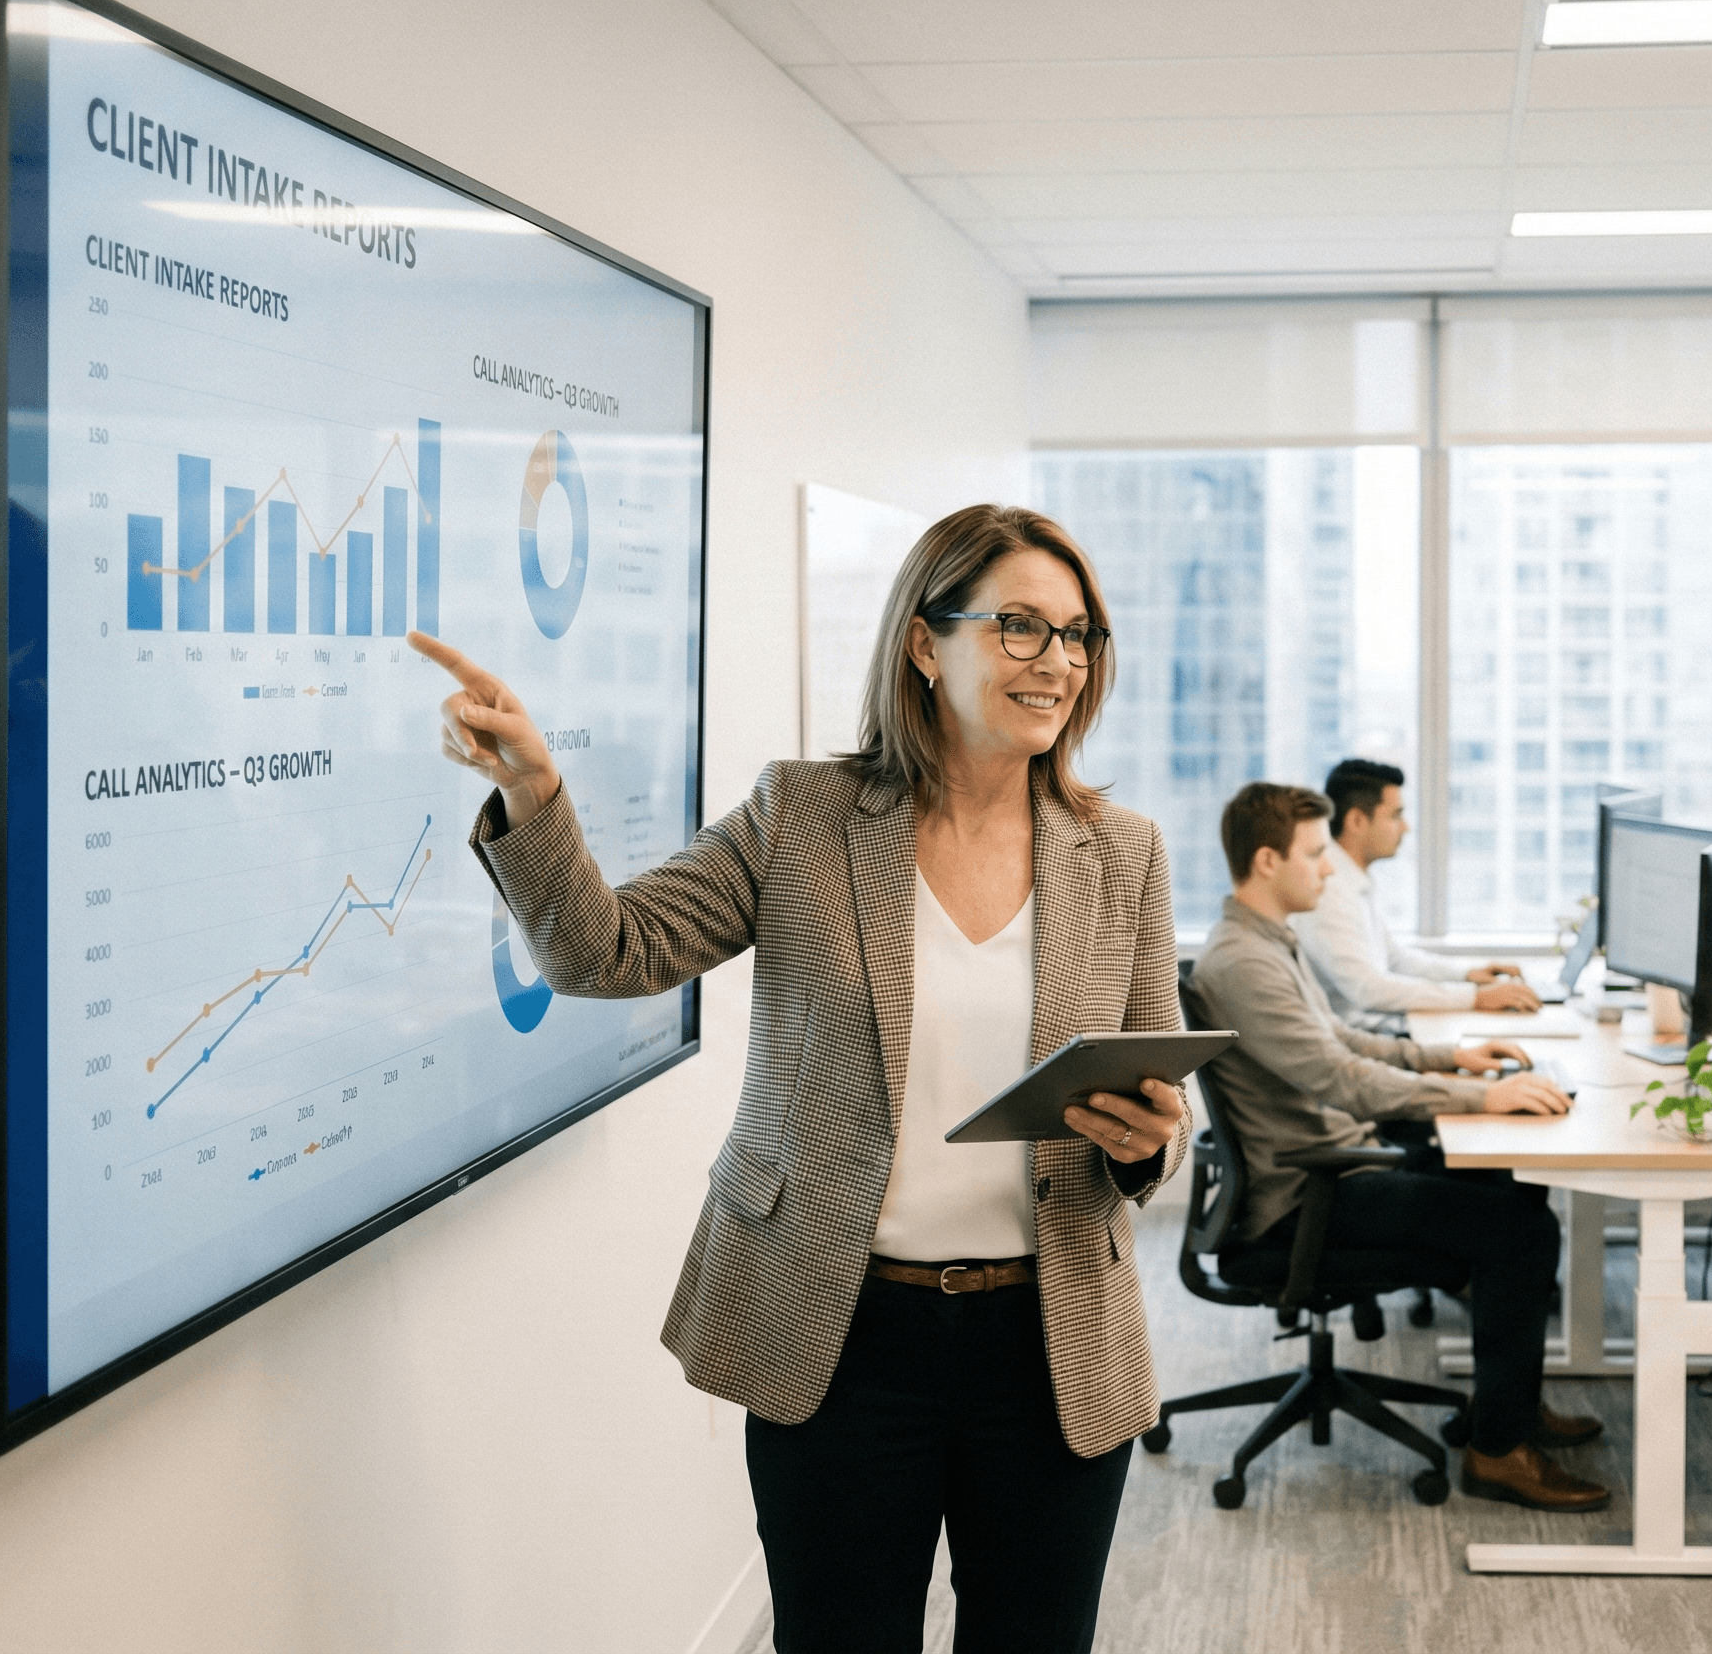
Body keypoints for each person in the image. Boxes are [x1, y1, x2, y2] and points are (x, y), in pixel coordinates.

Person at [409, 505, 1187, 1653]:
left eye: (1080, 636)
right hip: (844, 1333)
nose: (1058, 661)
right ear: (925, 642)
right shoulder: (805, 816)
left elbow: (1158, 1079)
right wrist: (533, 790)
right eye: (1021, 626)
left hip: (1051, 1335)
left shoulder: (1120, 849)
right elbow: (604, 952)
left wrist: (1147, 1141)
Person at [1187, 781, 1612, 1511]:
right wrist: (1484, 1097)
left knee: (1510, 1184)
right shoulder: (1245, 963)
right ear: (1266, 861)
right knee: (1520, 1230)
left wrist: (1453, 1061)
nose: (1329, 870)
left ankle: (1501, 1407)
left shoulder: (1266, 941)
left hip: (1334, 1165)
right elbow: (1340, 1078)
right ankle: (1498, 1453)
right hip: (1304, 1198)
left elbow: (1344, 1041)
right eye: (1316, 855)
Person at [1296, 758, 1541, 1032]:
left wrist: (1469, 974)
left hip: (1382, 1028)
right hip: (1367, 1037)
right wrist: (1475, 997)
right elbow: (1367, 989)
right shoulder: (1328, 889)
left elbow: (1396, 960)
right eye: (1395, 815)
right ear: (1356, 821)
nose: (1405, 828)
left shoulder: (1355, 880)